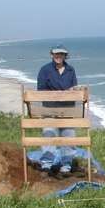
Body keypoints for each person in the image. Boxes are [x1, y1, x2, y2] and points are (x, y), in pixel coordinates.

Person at [36, 45, 78, 174]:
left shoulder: (71, 70)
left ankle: (66, 165)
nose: (58, 56)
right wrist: (59, 94)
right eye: (56, 54)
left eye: (61, 54)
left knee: (68, 136)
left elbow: (74, 88)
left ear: (65, 56)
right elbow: (41, 90)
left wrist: (69, 92)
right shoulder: (44, 70)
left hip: (67, 109)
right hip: (49, 109)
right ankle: (46, 164)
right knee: (49, 134)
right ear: (51, 55)